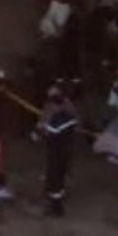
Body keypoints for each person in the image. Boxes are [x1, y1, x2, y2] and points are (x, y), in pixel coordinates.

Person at [39, 87, 78, 217]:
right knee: (59, 177)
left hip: (57, 152)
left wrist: (41, 129)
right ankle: (56, 201)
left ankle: (56, 207)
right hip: (65, 151)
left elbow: (50, 132)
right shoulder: (70, 116)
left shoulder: (58, 119)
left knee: (54, 178)